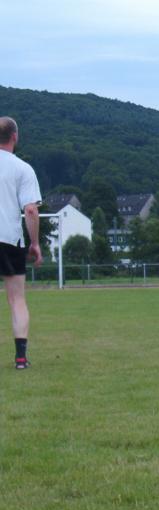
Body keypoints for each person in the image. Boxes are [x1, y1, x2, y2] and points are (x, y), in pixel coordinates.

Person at [0, 117, 43, 369]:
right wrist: (34, 243)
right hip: (9, 239)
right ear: (15, 137)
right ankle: (20, 358)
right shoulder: (23, 169)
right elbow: (30, 210)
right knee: (16, 299)